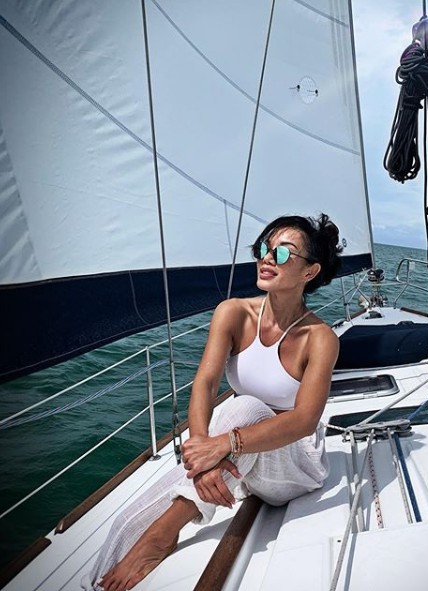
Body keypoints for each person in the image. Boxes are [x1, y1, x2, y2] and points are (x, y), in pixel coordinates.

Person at [83, 213, 343, 591]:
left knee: (247, 407)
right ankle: (94, 582)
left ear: (309, 271)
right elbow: (204, 384)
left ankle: (163, 534)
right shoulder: (233, 312)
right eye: (263, 249)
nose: (267, 259)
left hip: (294, 462)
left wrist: (224, 444)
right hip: (237, 455)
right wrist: (202, 458)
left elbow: (304, 420)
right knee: (126, 522)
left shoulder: (320, 338)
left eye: (283, 254)